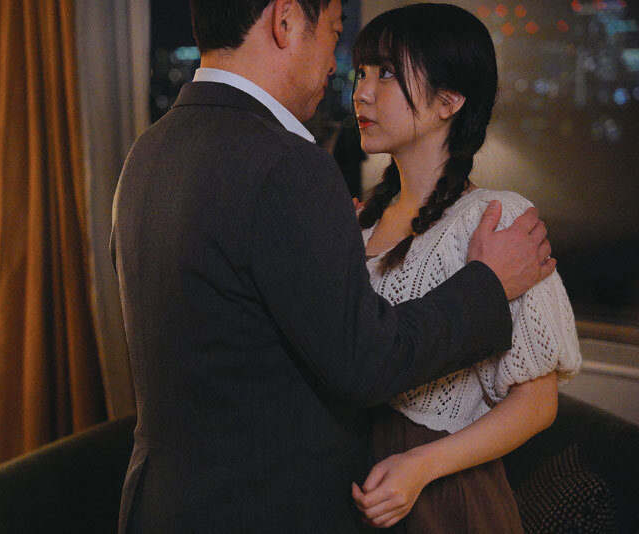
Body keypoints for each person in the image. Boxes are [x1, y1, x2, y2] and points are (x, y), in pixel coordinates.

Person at [110, 0, 555, 531]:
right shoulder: (288, 166)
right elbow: (365, 361)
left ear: (449, 101)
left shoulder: (149, 151)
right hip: (263, 505)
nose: (346, 78)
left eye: (384, 73)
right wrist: (488, 285)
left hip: (164, 500)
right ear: (285, 21)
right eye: (335, 35)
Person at [348, 4, 582, 532]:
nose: (362, 92)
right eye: (360, 73)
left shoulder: (494, 220)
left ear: (448, 101)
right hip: (358, 485)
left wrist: (420, 466)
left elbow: (537, 403)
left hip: (445, 495)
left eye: (387, 73)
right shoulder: (360, 223)